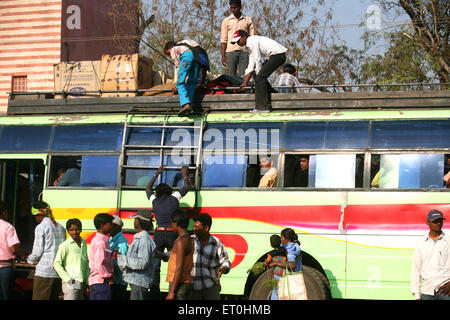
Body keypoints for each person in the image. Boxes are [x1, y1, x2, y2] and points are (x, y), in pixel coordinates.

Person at [145, 165, 192, 297]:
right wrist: (184, 174)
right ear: (169, 191)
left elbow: (147, 189)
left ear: (158, 192)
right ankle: (173, 291)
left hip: (159, 233)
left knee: (156, 266)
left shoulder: (155, 200)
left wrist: (156, 174)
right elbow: (187, 186)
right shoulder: (174, 198)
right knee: (175, 264)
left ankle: (154, 293)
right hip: (173, 233)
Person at [233, 30, 287, 113]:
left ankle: (263, 107)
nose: (237, 43)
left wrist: (259, 74)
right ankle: (272, 94)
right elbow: (251, 64)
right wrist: (245, 82)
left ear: (244, 36)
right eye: (236, 42)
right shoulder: (249, 46)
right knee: (258, 76)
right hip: (276, 55)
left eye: (238, 40)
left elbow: (258, 59)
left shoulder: (252, 41)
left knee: (260, 77)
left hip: (277, 55)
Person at [27, 201, 66, 300]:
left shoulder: (41, 227)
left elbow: (37, 252)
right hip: (57, 273)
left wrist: (29, 260)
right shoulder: (61, 227)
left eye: (35, 216)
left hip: (44, 273)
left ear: (39, 215)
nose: (36, 219)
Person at [411, 210, 450, 300]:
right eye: (435, 221)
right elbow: (416, 269)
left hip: (446, 291)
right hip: (427, 291)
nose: (438, 223)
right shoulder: (421, 243)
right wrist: (417, 295)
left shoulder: (449, 241)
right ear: (428, 222)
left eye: (440, 220)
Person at [190, 213, 231, 300]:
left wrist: (223, 268)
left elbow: (225, 260)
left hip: (211, 287)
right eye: (194, 226)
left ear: (206, 228)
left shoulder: (216, 243)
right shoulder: (190, 241)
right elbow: (175, 253)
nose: (194, 229)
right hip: (193, 289)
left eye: (197, 227)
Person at [117, 210, 156, 300]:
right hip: (137, 281)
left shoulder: (144, 240)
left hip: (139, 282)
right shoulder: (140, 237)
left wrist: (123, 259)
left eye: (136, 219)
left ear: (139, 222)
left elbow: (142, 263)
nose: (134, 221)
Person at [164, 40, 207, 117]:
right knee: (192, 83)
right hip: (197, 57)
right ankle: (190, 105)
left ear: (170, 48)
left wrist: (177, 87)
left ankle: (185, 105)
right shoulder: (186, 43)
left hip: (187, 56)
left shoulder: (174, 49)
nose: (170, 56)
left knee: (180, 83)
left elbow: (179, 67)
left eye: (169, 54)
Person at [53, 218, 90, 300]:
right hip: (71, 282)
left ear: (80, 229)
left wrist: (87, 281)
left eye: (76, 229)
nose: (74, 232)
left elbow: (86, 263)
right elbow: (56, 263)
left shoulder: (83, 243)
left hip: (81, 283)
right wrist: (68, 279)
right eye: (71, 230)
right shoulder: (65, 245)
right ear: (68, 231)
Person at [0, 201, 28, 300]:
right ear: (4, 212)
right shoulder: (8, 227)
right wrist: (25, 253)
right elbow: (13, 249)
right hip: (5, 268)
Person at [220, 0, 255, 77]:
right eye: (231, 8)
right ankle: (232, 90)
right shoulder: (226, 21)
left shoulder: (247, 20)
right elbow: (223, 39)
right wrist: (223, 56)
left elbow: (252, 38)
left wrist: (252, 53)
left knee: (244, 75)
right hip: (230, 51)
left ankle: (243, 89)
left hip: (244, 51)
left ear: (240, 7)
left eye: (235, 8)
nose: (233, 10)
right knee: (231, 76)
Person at [166, 209, 194, 300]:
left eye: (172, 223)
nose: (171, 226)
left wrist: (171, 292)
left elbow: (179, 267)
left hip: (179, 284)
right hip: (187, 282)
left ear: (177, 224)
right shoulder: (190, 239)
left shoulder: (181, 241)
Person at [89, 213, 114, 300]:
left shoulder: (96, 240)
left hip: (95, 282)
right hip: (101, 282)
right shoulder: (101, 243)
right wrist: (108, 276)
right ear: (102, 225)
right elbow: (99, 264)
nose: (111, 226)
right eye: (110, 224)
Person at [109, 215, 129, 300]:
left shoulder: (121, 242)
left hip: (119, 281)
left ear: (117, 227)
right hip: (115, 280)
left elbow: (122, 264)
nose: (108, 227)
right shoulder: (112, 239)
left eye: (110, 225)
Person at [264, 234, 287, 301]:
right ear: (280, 242)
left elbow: (267, 262)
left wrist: (266, 262)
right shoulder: (284, 250)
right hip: (285, 273)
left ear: (271, 244)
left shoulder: (270, 254)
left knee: (275, 291)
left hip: (277, 274)